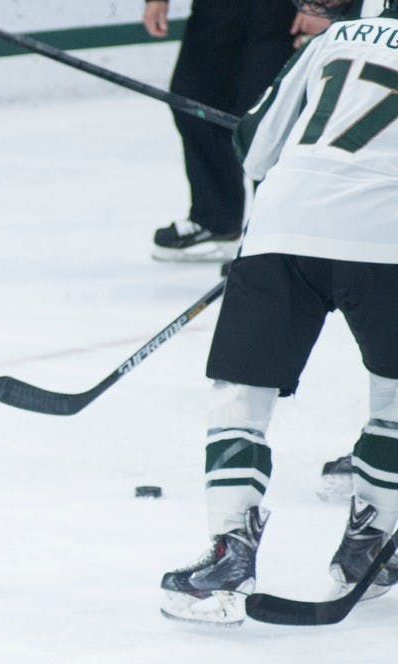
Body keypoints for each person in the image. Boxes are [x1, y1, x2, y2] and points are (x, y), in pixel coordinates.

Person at [158, 0, 398, 626]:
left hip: (288, 219)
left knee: (243, 392)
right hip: (389, 237)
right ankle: (369, 540)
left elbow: (254, 143)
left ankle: (229, 550)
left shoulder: (339, 36)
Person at [142, 0, 303, 262]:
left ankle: (273, 237)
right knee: (194, 99)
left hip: (282, 10)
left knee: (268, 117)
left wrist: (316, 7)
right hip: (217, 8)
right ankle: (216, 219)